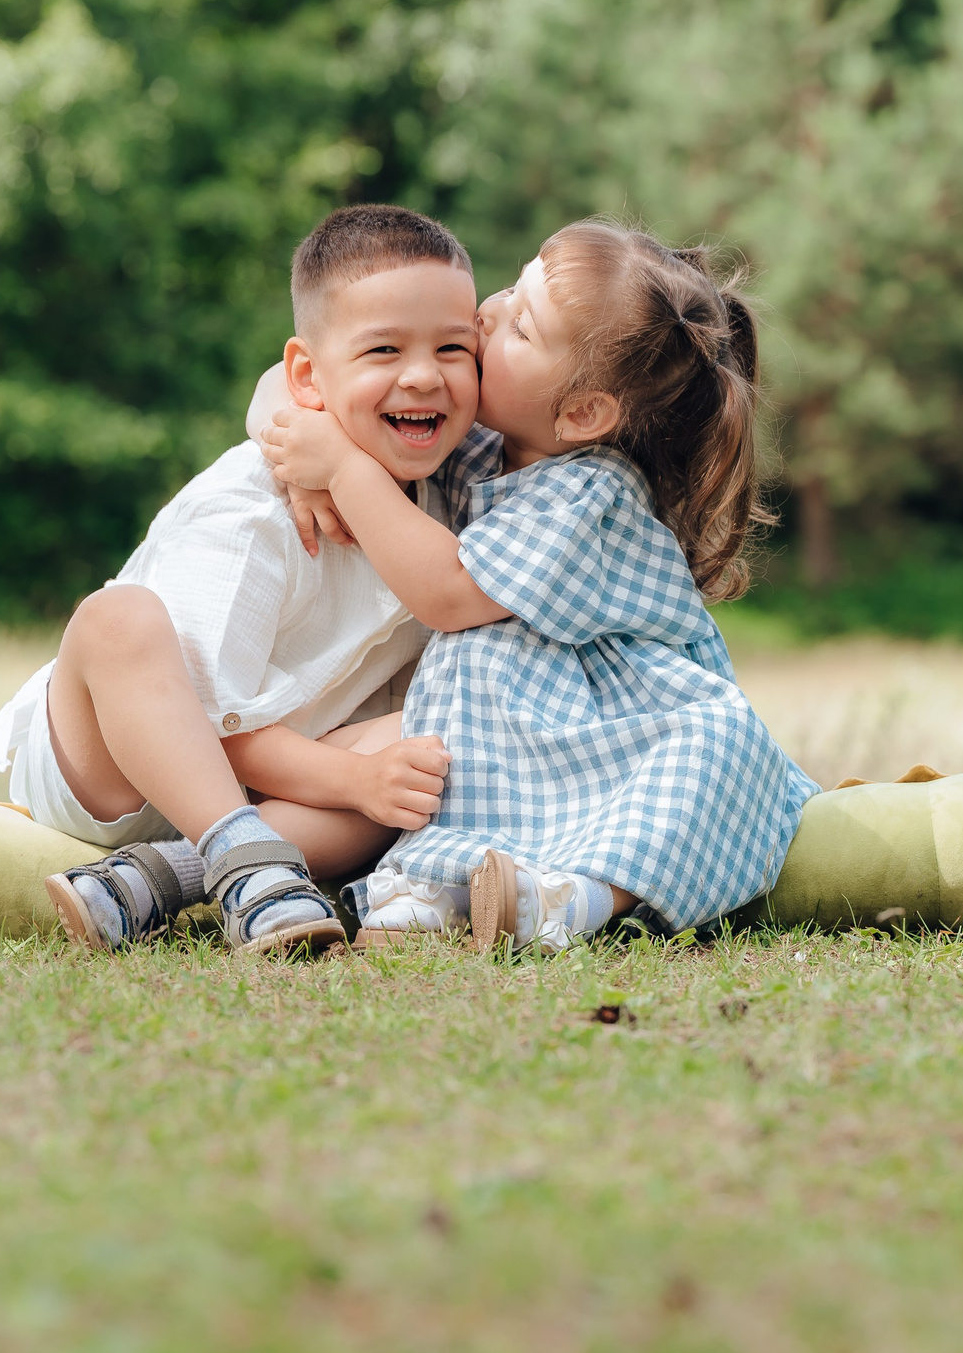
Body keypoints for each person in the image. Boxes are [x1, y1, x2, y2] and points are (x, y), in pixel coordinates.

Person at [261, 219, 817, 951]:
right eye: (509, 289)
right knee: (421, 739)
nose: (486, 314)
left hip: (614, 726)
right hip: (506, 723)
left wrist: (340, 467)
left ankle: (576, 899)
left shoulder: (590, 495)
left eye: (521, 325)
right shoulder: (484, 442)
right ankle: (432, 890)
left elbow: (451, 594)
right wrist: (291, 414)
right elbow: (306, 370)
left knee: (716, 745)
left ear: (582, 412)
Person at [0, 205, 500, 954]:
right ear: (306, 377)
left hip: (274, 788)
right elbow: (202, 720)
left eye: (454, 348)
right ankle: (242, 860)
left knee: (429, 749)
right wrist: (351, 783)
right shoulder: (253, 510)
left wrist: (372, 780)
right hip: (118, 769)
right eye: (384, 348)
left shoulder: (448, 491)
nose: (423, 376)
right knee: (116, 618)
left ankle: (187, 874)